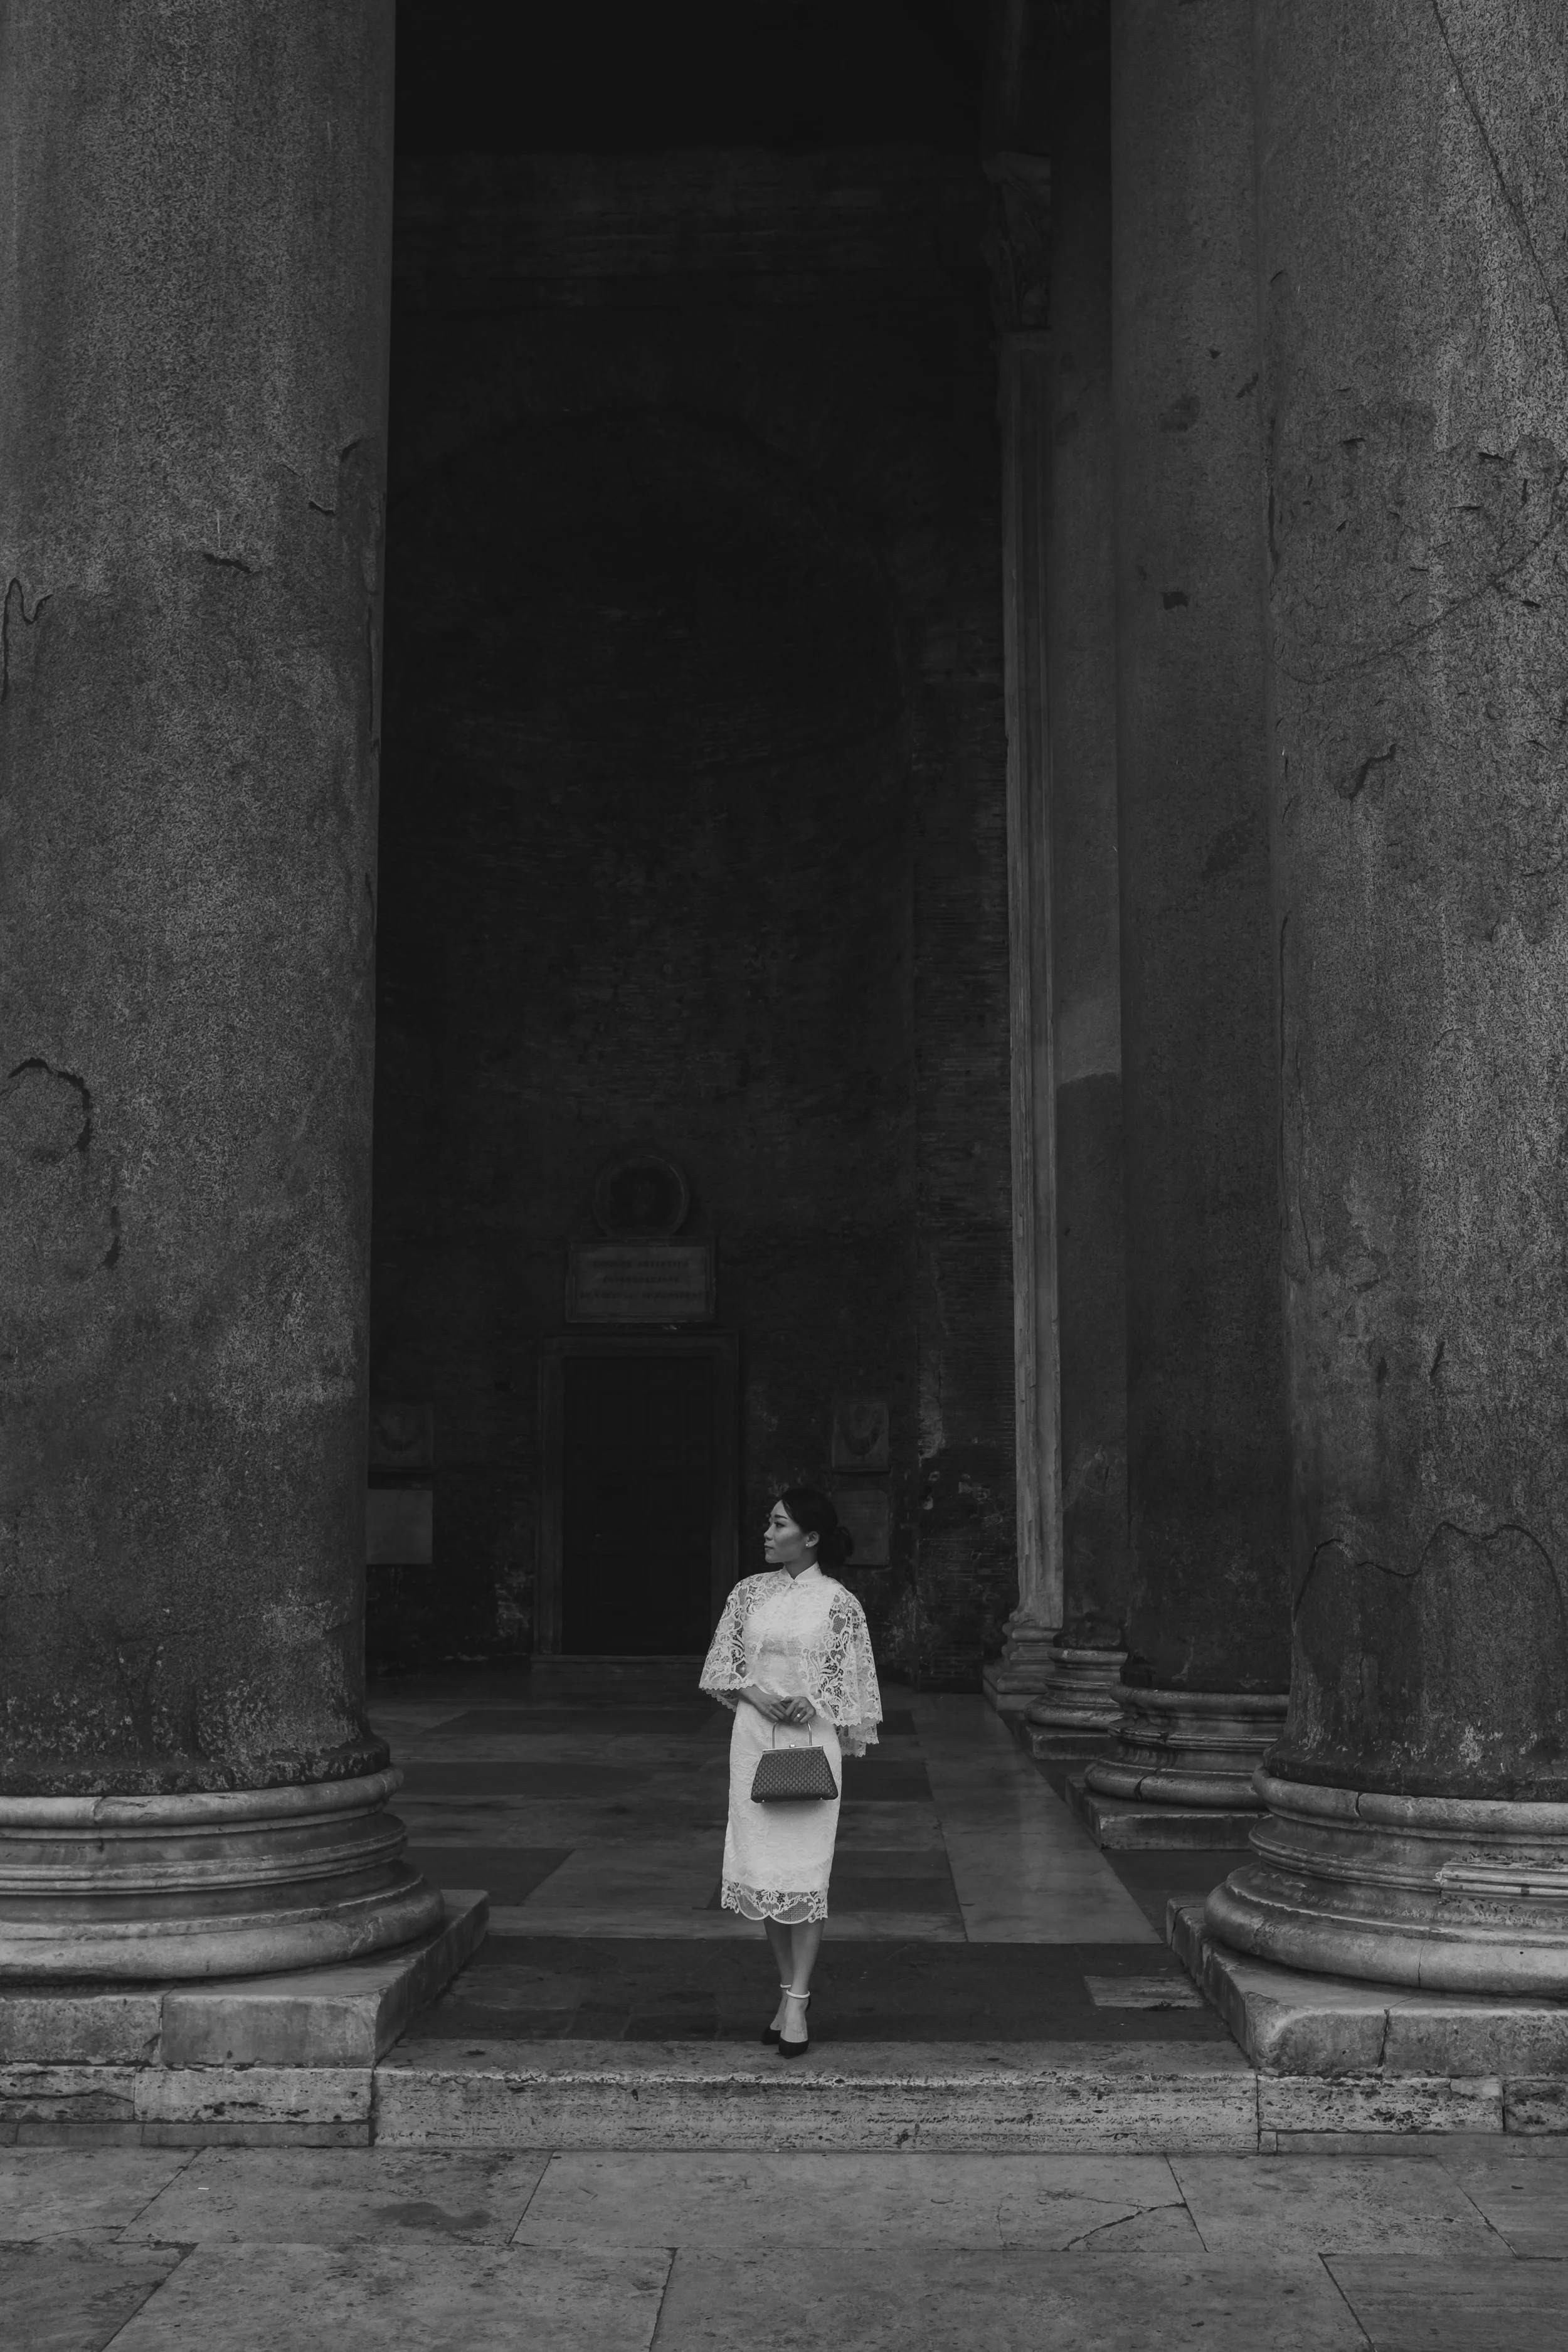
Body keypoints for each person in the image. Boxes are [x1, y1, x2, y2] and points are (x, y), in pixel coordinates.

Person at [699, 1487, 882, 2054]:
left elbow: (855, 1682)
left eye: (778, 1525)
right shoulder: (747, 1593)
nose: (767, 1533)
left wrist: (815, 1700)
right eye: (767, 1523)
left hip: (810, 1740)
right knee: (764, 1871)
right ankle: (786, 1990)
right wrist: (756, 1694)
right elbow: (722, 1667)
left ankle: (799, 2004)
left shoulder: (840, 1602)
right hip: (754, 1738)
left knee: (804, 1873)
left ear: (811, 1537)